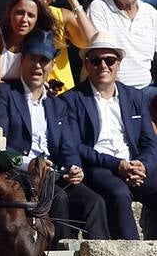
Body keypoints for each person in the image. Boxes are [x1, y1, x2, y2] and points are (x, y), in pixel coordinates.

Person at [0, 28, 110, 243]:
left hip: (54, 174)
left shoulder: (56, 104)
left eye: (44, 60)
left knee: (94, 201)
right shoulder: (4, 94)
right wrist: (29, 163)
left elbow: (68, 147)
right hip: (19, 173)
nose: (38, 66)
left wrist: (74, 168)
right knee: (57, 199)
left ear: (51, 65)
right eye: (33, 58)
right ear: (23, 60)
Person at [63, 32, 157, 239]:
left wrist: (143, 165)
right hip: (100, 166)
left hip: (133, 165)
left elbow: (150, 142)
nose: (103, 66)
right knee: (119, 193)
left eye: (110, 60)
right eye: (96, 60)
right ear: (87, 65)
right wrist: (117, 164)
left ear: (119, 64)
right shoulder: (72, 99)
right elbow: (77, 146)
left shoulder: (135, 96)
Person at [22, 0, 97, 93]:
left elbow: (91, 41)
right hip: (29, 90)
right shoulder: (21, 16)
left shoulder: (62, 15)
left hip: (61, 93)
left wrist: (73, 0)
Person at [87, 0, 157, 98]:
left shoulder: (151, 14)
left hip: (147, 89)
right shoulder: (99, 8)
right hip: (113, 91)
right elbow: (101, 54)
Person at [0, 0, 54, 85]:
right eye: (19, 13)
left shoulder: (35, 40)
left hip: (16, 96)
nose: (24, 19)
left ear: (37, 20)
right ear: (9, 13)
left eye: (31, 15)